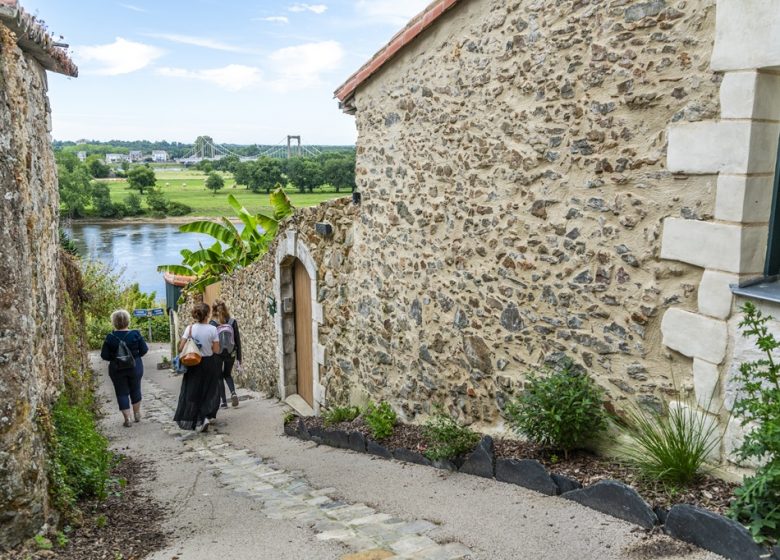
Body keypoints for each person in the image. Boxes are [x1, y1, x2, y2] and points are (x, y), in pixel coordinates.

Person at [173, 302, 221, 432]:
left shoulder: (189, 329)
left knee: (193, 392)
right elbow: (216, 350)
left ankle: (198, 418)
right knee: (208, 391)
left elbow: (181, 348)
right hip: (209, 364)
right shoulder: (212, 329)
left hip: (193, 363)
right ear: (207, 314)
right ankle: (205, 417)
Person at [100, 309, 149, 428]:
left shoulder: (110, 337)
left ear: (114, 322)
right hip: (135, 366)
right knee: (136, 388)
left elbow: (104, 355)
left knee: (121, 392)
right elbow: (144, 350)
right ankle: (137, 414)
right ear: (128, 321)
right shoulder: (135, 334)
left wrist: (116, 357)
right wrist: (134, 357)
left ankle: (127, 419)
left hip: (117, 368)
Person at [210, 300, 242, 409]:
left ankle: (224, 402)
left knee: (219, 377)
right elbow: (238, 341)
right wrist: (239, 358)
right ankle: (233, 393)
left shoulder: (212, 324)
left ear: (213, 311)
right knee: (227, 374)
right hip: (230, 353)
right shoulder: (232, 322)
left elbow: (211, 342)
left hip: (217, 354)